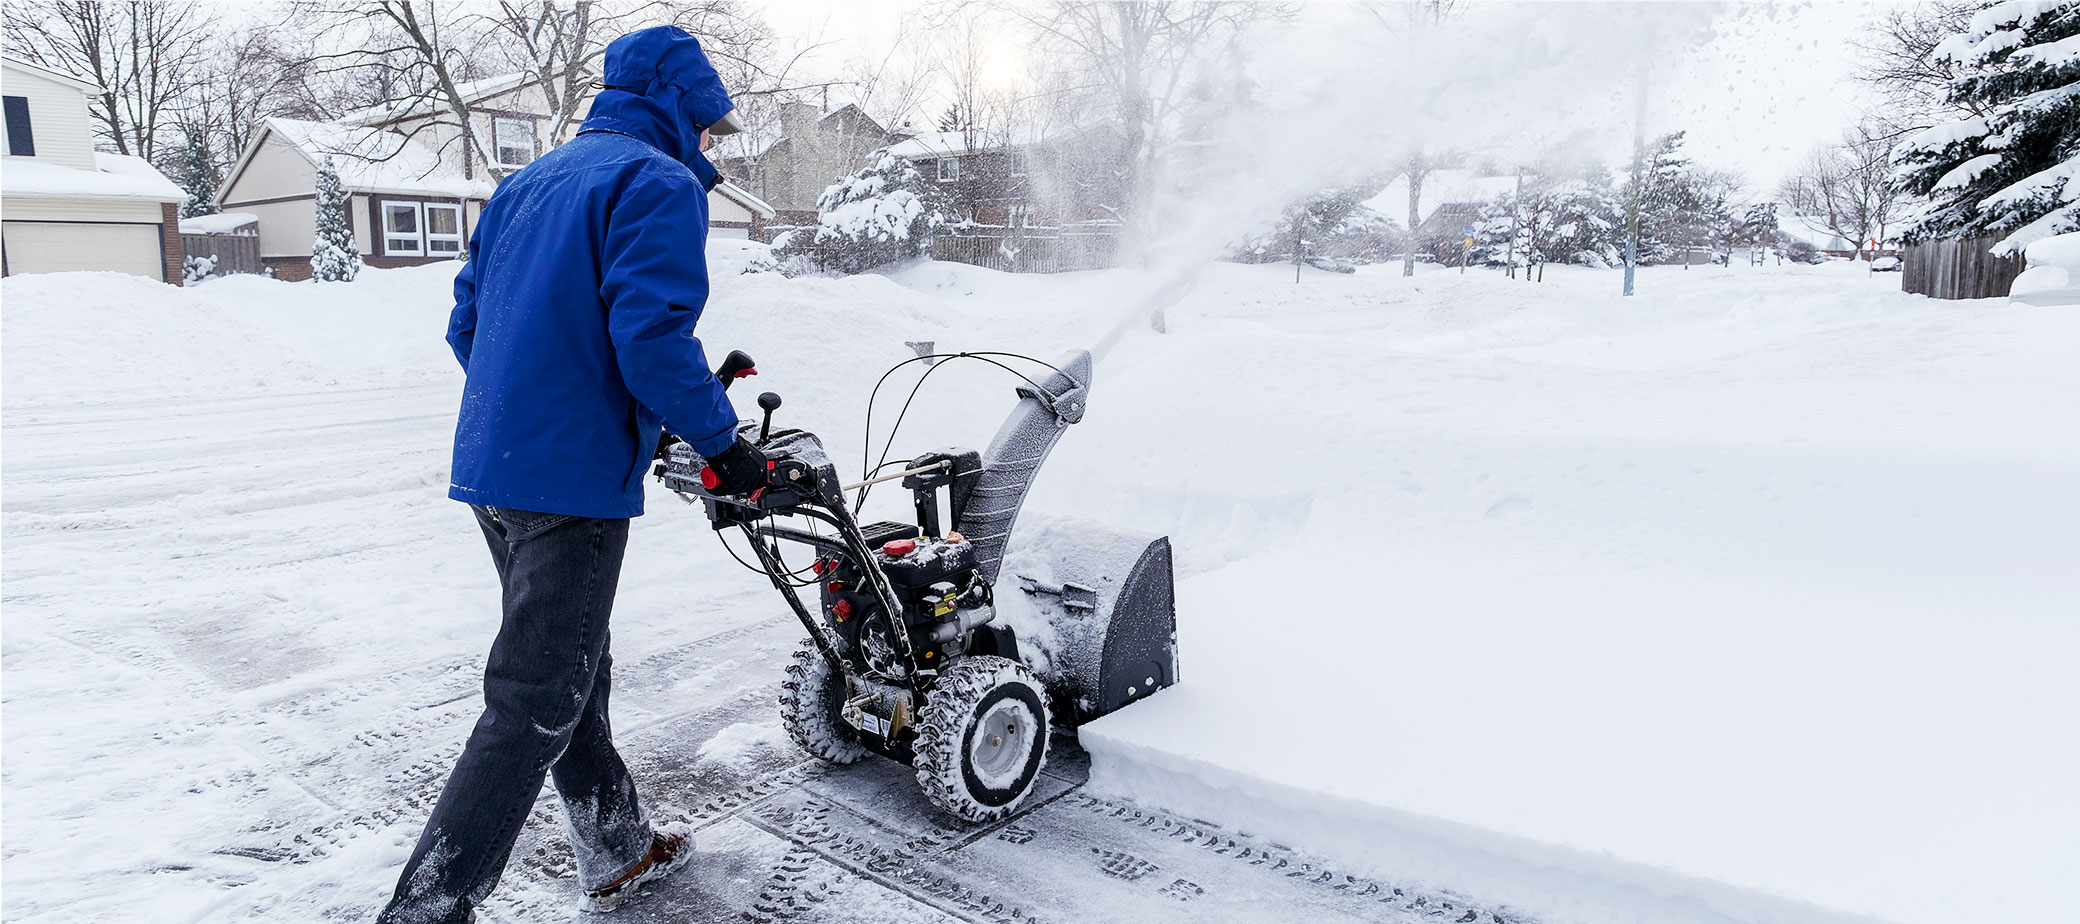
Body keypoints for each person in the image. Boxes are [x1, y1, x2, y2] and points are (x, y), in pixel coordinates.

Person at [376, 25, 768, 923]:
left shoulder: (528, 182)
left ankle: (618, 847)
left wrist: (535, 400)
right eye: (708, 126)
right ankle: (425, 910)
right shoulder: (657, 182)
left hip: (496, 466)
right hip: (567, 483)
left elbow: (467, 324)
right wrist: (724, 446)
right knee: (535, 699)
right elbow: (652, 341)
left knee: (566, 669)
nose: (709, 144)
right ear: (679, 108)